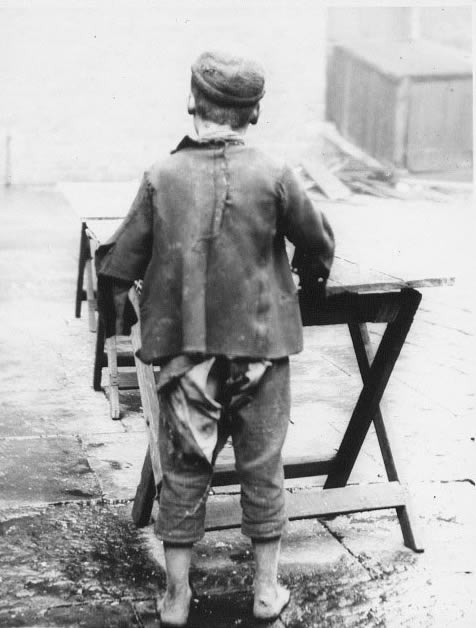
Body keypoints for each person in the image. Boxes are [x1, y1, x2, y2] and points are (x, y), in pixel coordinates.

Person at [96, 50, 335, 627]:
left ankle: (177, 598)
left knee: (183, 470)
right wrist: (308, 277)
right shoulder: (276, 173)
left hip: (185, 357)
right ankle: (265, 591)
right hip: (261, 348)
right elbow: (319, 240)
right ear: (254, 113)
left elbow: (116, 266)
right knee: (262, 465)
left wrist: (121, 328)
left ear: (190, 103)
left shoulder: (161, 175)